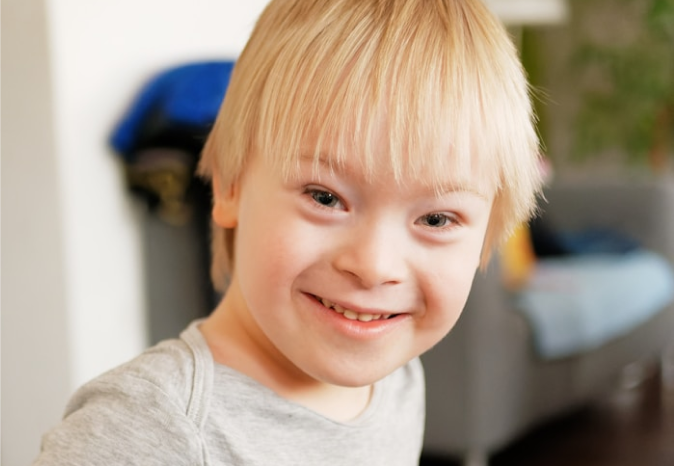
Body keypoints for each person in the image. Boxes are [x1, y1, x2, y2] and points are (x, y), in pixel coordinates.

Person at [33, 0, 543, 464]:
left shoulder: (395, 376)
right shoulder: (144, 431)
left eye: (436, 219)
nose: (374, 265)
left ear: (488, 236)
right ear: (231, 185)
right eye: (325, 197)